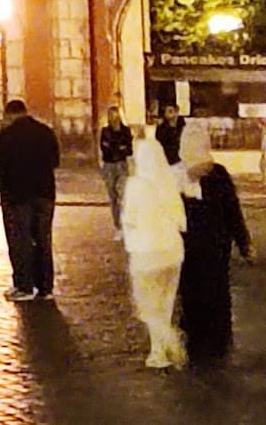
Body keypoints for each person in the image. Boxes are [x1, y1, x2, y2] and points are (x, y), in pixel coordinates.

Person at [177, 117, 253, 365]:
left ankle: (217, 342)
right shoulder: (177, 178)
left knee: (216, 294)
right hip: (190, 253)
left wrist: (244, 243)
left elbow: (233, 212)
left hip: (214, 249)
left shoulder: (218, 176)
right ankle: (199, 342)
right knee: (194, 296)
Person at [121, 137, 186, 369]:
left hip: (145, 254)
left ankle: (163, 346)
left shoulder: (135, 185)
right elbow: (182, 221)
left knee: (148, 306)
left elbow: (129, 220)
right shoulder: (169, 181)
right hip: (172, 251)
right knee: (166, 304)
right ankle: (163, 348)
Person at [0, 96, 60, 301]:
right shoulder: (45, 132)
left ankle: (24, 286)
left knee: (20, 241)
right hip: (45, 194)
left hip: (18, 196)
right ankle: (45, 287)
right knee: (43, 240)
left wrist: (4, 191)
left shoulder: (7, 136)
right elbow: (55, 161)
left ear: (10, 115)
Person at [99, 104, 134, 232]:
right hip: (109, 165)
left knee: (123, 194)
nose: (113, 118)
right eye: (111, 115)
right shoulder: (105, 131)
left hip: (121, 164)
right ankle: (117, 225)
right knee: (113, 197)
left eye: (115, 115)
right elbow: (104, 148)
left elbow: (129, 149)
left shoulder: (125, 131)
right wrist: (118, 147)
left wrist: (116, 147)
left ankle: (125, 222)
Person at [155, 103, 185, 168]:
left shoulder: (183, 125)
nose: (167, 114)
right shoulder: (162, 128)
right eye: (166, 111)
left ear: (176, 112)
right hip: (168, 161)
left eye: (170, 111)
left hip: (179, 160)